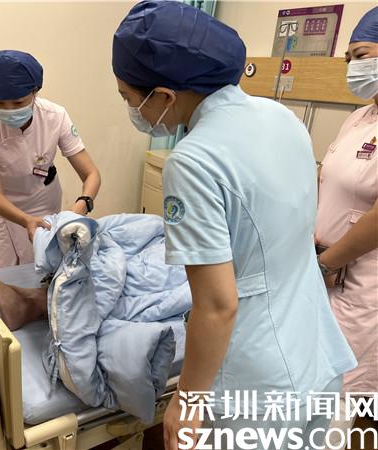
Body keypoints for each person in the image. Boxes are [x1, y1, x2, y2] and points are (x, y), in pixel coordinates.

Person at [111, 2, 357, 450]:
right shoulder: (280, 117)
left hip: (256, 385)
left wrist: (186, 400)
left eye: (130, 98)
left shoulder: (192, 160)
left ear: (164, 95)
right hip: (316, 351)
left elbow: (217, 305)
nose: (133, 109)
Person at [315, 7, 378, 448]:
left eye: (362, 55)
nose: (353, 68)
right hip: (327, 271)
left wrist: (328, 261)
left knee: (346, 399)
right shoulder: (359, 117)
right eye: (349, 58)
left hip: (364, 285)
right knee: (320, 386)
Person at [0, 50, 101, 269]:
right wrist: (25, 220)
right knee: (2, 272)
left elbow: (91, 174)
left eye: (18, 102)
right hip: (0, 208)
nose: (9, 110)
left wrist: (81, 205)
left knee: (43, 268)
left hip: (42, 203)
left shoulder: (55, 116)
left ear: (35, 92)